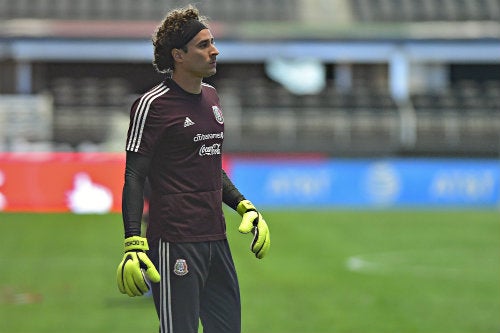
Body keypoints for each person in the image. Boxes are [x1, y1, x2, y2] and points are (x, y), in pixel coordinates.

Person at [116, 5, 271, 333]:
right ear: (179, 55)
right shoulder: (152, 105)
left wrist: (244, 205)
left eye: (212, 42)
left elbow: (210, 165)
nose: (214, 50)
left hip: (217, 239)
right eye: (203, 44)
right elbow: (134, 175)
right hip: (175, 241)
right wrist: (133, 241)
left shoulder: (213, 97)